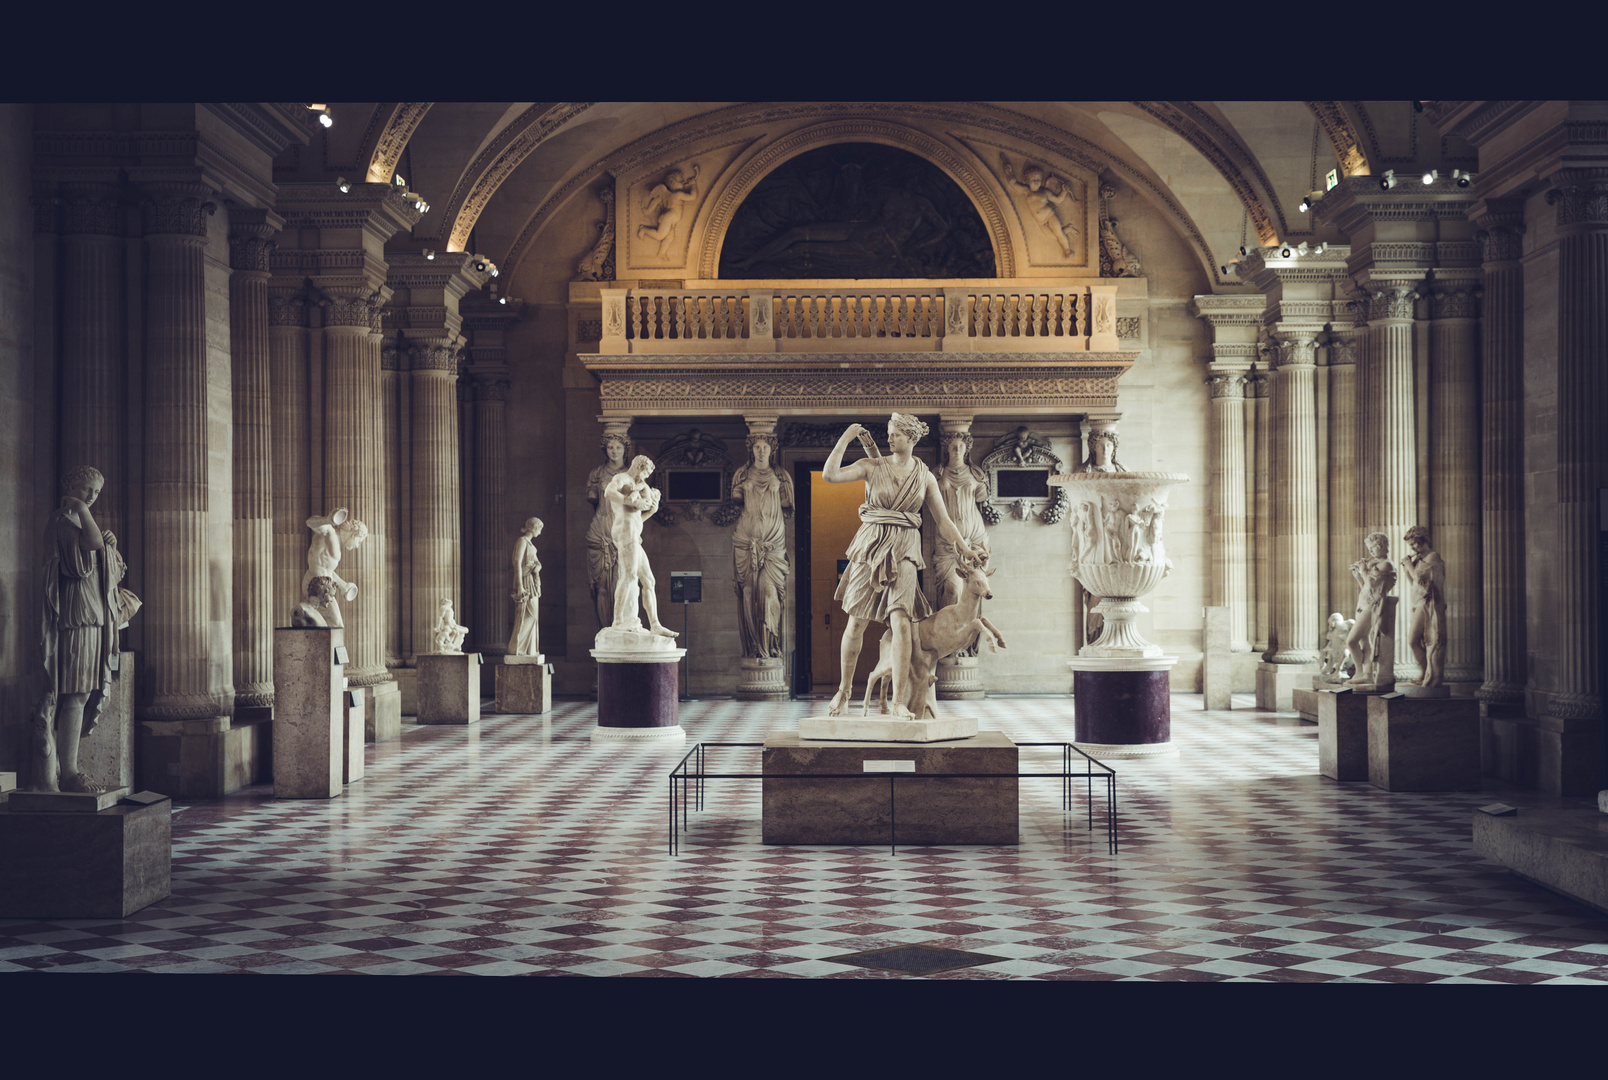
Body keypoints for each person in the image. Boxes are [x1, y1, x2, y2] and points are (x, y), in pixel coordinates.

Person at [823, 414, 982, 719]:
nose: (890, 438)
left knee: (902, 624)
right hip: (870, 546)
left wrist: (964, 548)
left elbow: (944, 521)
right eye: (889, 434)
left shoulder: (924, 475)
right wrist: (846, 437)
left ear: (910, 439)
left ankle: (898, 702)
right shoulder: (873, 467)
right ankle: (843, 691)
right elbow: (830, 476)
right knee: (856, 623)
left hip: (906, 548)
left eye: (895, 434)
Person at [33, 465, 140, 793]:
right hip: (76, 620)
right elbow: (88, 551)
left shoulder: (78, 521)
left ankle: (68, 769)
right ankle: (68, 773)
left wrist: (111, 544)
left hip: (94, 618)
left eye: (95, 492)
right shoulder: (63, 521)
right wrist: (85, 515)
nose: (92, 496)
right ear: (70, 486)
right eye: (86, 490)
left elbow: (110, 564)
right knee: (73, 696)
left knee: (80, 695)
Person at [731, 436, 793, 660]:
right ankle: (753, 649)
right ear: (751, 449)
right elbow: (736, 497)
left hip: (773, 544)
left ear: (772, 449)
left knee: (769, 593)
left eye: (765, 446)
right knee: (748, 595)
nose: (761, 451)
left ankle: (770, 647)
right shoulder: (742, 474)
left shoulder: (781, 476)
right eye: (757, 447)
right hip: (745, 542)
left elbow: (788, 503)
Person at [605, 455, 678, 638]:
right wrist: (630, 501)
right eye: (644, 473)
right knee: (629, 576)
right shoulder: (622, 479)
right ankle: (618, 621)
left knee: (649, 580)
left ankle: (655, 624)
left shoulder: (641, 486)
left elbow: (639, 518)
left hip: (634, 535)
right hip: (624, 533)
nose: (645, 478)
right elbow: (608, 493)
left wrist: (653, 506)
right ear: (638, 467)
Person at [585, 434, 630, 629]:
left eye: (618, 447)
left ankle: (622, 628)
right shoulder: (597, 474)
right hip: (599, 530)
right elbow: (593, 501)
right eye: (610, 447)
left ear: (625, 450)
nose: (614, 451)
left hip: (622, 531)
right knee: (601, 587)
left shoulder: (631, 474)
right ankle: (605, 632)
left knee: (625, 584)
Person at [1345, 532, 1397, 685]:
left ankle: (1360, 671)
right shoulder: (1376, 564)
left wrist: (1363, 571)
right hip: (1363, 604)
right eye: (1370, 548)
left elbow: (1376, 589)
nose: (1371, 552)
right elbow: (1367, 589)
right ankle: (1367, 674)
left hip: (1372, 607)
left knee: (1351, 641)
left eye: (1373, 548)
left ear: (1381, 546)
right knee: (1363, 641)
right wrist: (1358, 576)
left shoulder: (1386, 565)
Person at [303, 507, 367, 629]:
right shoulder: (331, 533)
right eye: (359, 541)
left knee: (321, 624)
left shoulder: (335, 541)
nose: (357, 546)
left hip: (317, 582)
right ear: (353, 534)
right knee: (337, 625)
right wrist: (327, 520)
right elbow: (310, 522)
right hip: (318, 587)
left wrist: (343, 585)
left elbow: (328, 571)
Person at [1401, 525, 1446, 688]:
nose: (1412, 547)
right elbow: (1415, 583)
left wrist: (1408, 566)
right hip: (1420, 602)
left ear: (1422, 540)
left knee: (1425, 639)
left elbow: (1420, 580)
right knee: (1415, 640)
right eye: (1410, 545)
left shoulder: (1433, 557)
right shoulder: (1420, 560)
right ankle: (1425, 670)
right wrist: (1409, 568)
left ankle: (1432, 674)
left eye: (1414, 543)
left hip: (1430, 603)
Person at [509, 517, 543, 658]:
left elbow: (538, 563)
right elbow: (517, 562)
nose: (540, 533)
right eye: (539, 529)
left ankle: (529, 650)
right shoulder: (522, 541)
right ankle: (517, 649)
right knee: (527, 615)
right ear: (534, 528)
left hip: (532, 581)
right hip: (524, 581)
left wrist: (537, 567)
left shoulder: (531, 545)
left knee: (533, 616)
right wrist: (520, 586)